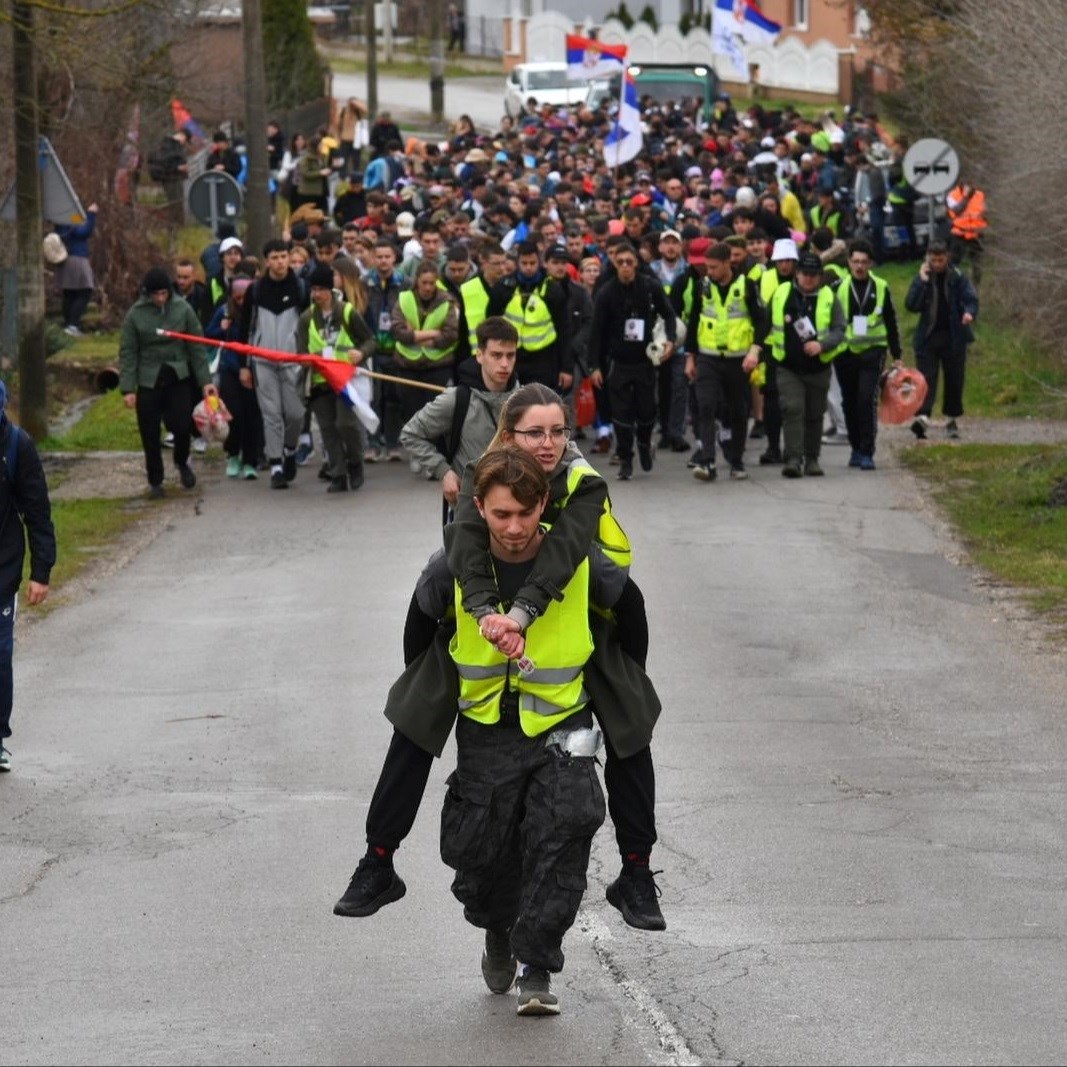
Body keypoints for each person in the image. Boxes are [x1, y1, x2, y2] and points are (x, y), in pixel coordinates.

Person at [335, 386, 665, 937]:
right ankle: (378, 861)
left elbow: (570, 560)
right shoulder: (479, 476)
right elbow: (462, 550)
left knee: (632, 721)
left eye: (558, 432)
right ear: (508, 435)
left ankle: (634, 871)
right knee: (412, 721)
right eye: (535, 433)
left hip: (576, 608)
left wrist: (621, 666)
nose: (549, 444)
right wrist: (448, 651)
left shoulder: (582, 482)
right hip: (481, 616)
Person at [438, 446, 608, 1015]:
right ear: (479, 507)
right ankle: (497, 929)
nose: (514, 528)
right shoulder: (456, 564)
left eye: (526, 513)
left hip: (560, 719)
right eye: (501, 514)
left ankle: (537, 965)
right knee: (483, 853)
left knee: (564, 831)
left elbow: (627, 620)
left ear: (544, 506)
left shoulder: (573, 559)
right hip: (486, 725)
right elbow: (419, 635)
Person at [400, 316, 519, 513]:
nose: (505, 364)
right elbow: (411, 433)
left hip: (518, 510)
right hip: (470, 511)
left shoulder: (526, 401)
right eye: (497, 355)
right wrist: (443, 471)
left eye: (510, 355)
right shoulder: (456, 399)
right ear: (480, 355)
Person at [119, 267, 218, 498]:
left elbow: (196, 347)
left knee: (182, 426)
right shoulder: (135, 314)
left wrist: (205, 381)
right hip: (148, 378)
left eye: (164, 293)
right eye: (156, 295)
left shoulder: (183, 309)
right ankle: (155, 480)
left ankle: (182, 462)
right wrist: (128, 388)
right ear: (147, 294)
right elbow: (128, 351)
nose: (160, 299)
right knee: (150, 432)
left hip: (178, 377)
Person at [0, 379, 56, 773]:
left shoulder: (17, 446)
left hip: (2, 569)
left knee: (0, 655)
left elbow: (37, 512)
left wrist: (41, 571)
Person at [589, 242, 676, 481]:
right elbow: (595, 331)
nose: (625, 267)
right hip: (618, 362)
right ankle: (625, 457)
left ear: (636, 263)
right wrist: (594, 366)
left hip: (645, 359)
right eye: (621, 263)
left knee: (647, 411)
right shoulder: (606, 293)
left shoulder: (650, 287)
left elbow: (669, 314)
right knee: (621, 413)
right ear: (615, 264)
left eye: (629, 262)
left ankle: (645, 443)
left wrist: (670, 340)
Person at [685, 242, 766, 482]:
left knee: (738, 410)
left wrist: (754, 351)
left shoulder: (746, 286)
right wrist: (690, 358)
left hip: (738, 360)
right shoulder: (703, 286)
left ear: (727, 264)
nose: (708, 272)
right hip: (708, 357)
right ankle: (708, 461)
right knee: (706, 405)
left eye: (713, 267)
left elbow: (762, 321)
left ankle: (736, 460)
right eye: (707, 267)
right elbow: (693, 323)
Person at [759, 252, 846, 478]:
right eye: (805, 274)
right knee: (792, 409)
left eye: (813, 275)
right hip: (788, 366)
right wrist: (756, 349)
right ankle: (794, 458)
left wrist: (823, 345)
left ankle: (812, 459)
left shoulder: (829, 296)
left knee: (815, 414)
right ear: (797, 274)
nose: (808, 279)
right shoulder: (782, 293)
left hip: (818, 367)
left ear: (820, 276)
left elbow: (839, 329)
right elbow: (765, 323)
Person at [296, 262, 376, 493]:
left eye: (321, 289)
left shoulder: (347, 312)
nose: (317, 294)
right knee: (328, 429)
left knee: (346, 424)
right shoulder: (306, 318)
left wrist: (360, 353)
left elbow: (370, 341)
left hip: (345, 381)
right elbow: (300, 351)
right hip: (320, 382)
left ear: (331, 290)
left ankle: (355, 462)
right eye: (313, 289)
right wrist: (305, 359)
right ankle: (338, 474)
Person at [240, 239, 310, 489]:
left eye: (284, 256)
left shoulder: (301, 288)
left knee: (295, 413)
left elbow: (308, 326)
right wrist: (244, 365)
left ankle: (290, 449)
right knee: (271, 415)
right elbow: (244, 328)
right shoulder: (255, 291)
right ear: (267, 261)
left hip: (293, 362)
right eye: (275, 257)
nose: (280, 262)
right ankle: (276, 465)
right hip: (263, 361)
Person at [832, 239, 903, 470]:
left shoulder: (881, 286)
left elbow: (891, 321)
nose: (860, 266)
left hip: (873, 351)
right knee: (850, 402)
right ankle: (854, 447)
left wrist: (897, 353)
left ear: (870, 263)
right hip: (845, 352)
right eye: (855, 262)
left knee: (866, 400)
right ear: (849, 262)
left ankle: (867, 450)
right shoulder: (838, 287)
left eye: (864, 262)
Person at [905, 240, 978, 441]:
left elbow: (971, 299)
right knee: (925, 380)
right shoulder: (923, 277)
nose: (937, 263)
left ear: (947, 257)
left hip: (954, 336)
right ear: (928, 258)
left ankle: (952, 419)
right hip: (928, 337)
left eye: (941, 259)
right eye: (933, 259)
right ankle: (922, 418)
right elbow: (911, 305)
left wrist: (969, 313)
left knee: (954, 380)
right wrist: (921, 282)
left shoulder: (957, 276)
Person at [206, 277, 261, 481]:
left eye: (244, 298)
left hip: (253, 368)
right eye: (237, 298)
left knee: (252, 415)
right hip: (230, 368)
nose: (240, 302)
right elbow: (208, 334)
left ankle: (250, 460)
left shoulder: (257, 311)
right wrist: (221, 328)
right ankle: (233, 454)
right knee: (234, 413)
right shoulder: (224, 311)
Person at [52, 203, 98, 337]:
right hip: (77, 258)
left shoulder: (60, 219)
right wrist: (91, 214)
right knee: (85, 291)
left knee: (70, 293)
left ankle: (68, 325)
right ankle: (72, 325)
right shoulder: (70, 218)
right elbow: (84, 231)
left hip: (66, 258)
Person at [946, 180, 986, 288]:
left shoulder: (980, 195)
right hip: (959, 234)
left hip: (976, 235)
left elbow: (985, 213)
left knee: (977, 265)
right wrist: (966, 196)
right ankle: (951, 285)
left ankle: (975, 287)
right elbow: (956, 211)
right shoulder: (952, 195)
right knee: (954, 263)